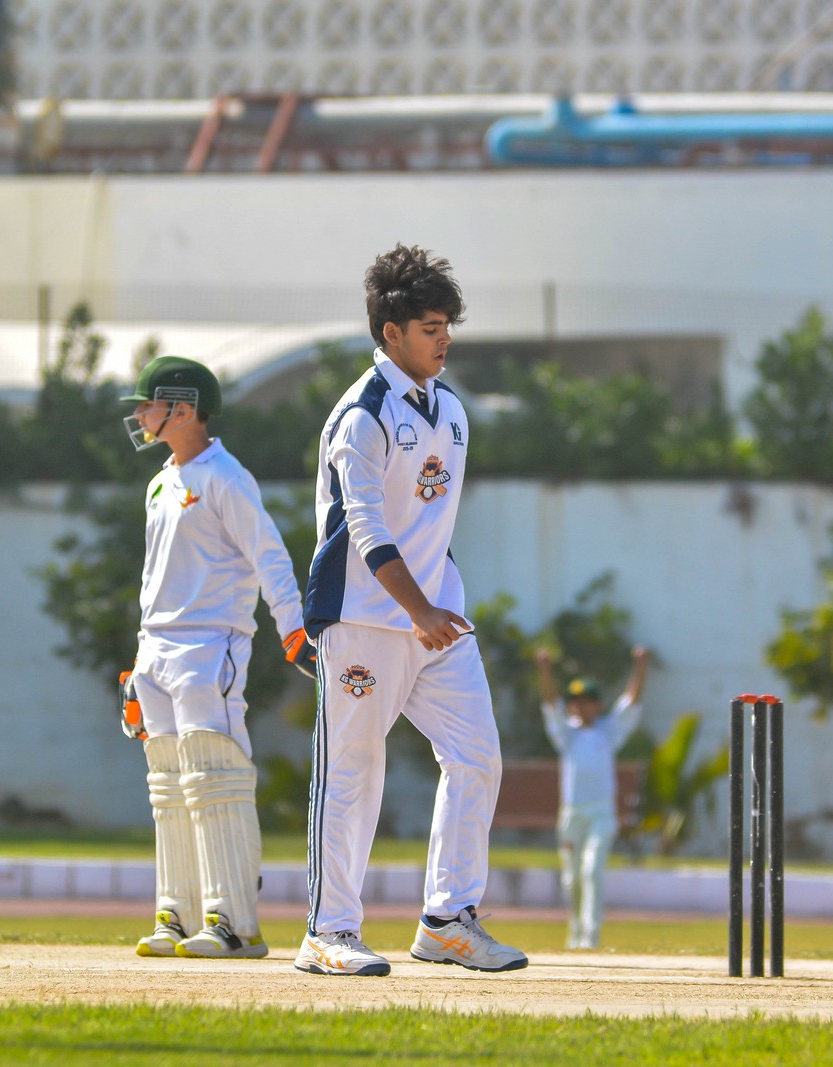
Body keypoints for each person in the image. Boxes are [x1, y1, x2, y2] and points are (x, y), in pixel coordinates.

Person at [295, 244, 527, 978]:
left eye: (448, 325)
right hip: (364, 620)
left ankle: (447, 920)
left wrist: (434, 608)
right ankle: (329, 932)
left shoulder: (451, 410)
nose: (444, 338)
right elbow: (365, 529)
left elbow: (431, 524)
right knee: (353, 770)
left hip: (437, 620)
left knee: (477, 755)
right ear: (391, 332)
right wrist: (418, 608)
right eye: (431, 327)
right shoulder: (360, 416)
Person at [117, 355, 316, 960]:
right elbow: (155, 578)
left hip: (211, 644)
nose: (140, 415)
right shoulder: (160, 483)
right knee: (167, 785)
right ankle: (175, 916)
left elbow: (269, 555)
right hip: (158, 648)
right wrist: (139, 661)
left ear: (183, 409)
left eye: (148, 404)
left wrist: (293, 628)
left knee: (215, 776)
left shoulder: (226, 476)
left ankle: (234, 924)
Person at [534, 644, 650, 950]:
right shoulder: (566, 733)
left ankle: (591, 934)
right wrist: (544, 669)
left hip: (601, 813)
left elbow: (630, 702)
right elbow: (551, 704)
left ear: (597, 705)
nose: (581, 707)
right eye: (576, 703)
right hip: (572, 815)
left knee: (592, 869)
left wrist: (641, 666)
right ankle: (575, 930)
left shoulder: (608, 732)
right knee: (572, 877)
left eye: (587, 702)